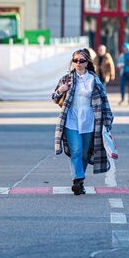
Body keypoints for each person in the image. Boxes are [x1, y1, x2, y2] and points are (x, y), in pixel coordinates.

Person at [52, 49, 114, 195]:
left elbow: (104, 101)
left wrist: (108, 120)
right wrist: (61, 90)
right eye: (76, 60)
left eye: (81, 60)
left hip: (89, 119)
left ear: (87, 62)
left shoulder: (94, 79)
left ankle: (80, 181)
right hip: (71, 119)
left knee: (85, 152)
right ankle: (77, 179)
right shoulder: (66, 79)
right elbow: (55, 98)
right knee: (76, 150)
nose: (78, 63)